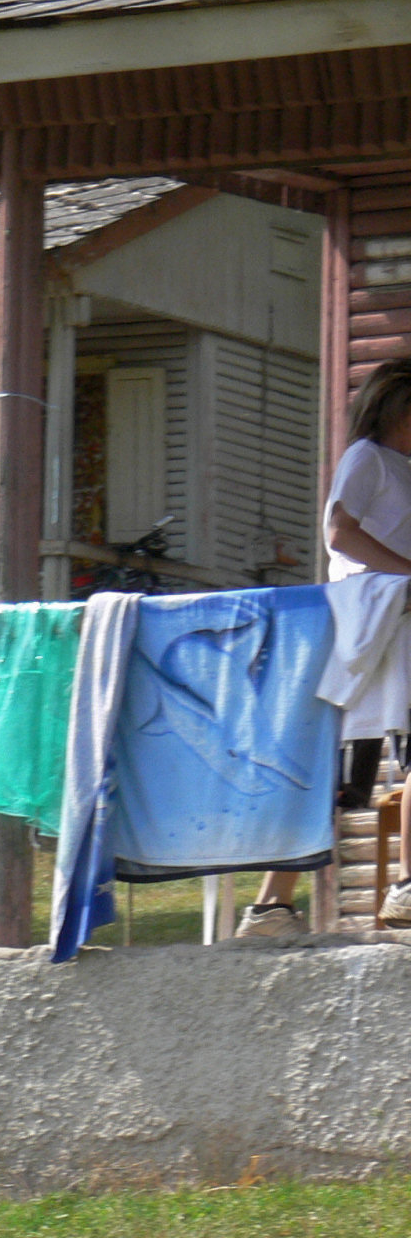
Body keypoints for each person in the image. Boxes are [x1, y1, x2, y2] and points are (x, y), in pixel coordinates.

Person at [238, 359, 411, 940]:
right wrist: (407, 573)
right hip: (369, 627)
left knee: (347, 773)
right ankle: (274, 906)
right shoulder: (368, 458)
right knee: (340, 775)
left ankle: (273, 907)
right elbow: (340, 532)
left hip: (394, 626)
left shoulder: (404, 468)